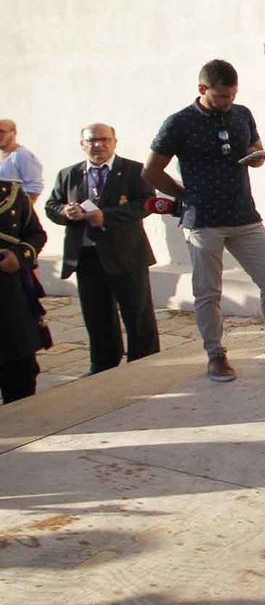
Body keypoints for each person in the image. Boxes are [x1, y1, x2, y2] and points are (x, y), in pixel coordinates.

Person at [144, 60, 265, 381]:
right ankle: (216, 354)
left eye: (233, 95)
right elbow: (151, 171)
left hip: (244, 215)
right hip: (204, 221)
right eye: (222, 96)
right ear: (202, 90)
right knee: (208, 292)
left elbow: (255, 146)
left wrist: (258, 156)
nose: (229, 102)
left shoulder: (242, 114)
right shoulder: (178, 123)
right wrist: (185, 195)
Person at [43, 124, 160, 373]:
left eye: (105, 139)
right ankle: (103, 363)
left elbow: (147, 204)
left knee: (137, 314)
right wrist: (65, 211)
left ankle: (144, 363)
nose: (99, 145)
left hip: (126, 254)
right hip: (87, 256)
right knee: (96, 315)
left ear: (115, 142)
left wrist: (105, 216)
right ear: (83, 144)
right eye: (93, 140)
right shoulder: (69, 174)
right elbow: (51, 205)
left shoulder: (134, 170)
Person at [0, 181, 47, 403]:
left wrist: (18, 258)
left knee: (21, 375)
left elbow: (36, 235)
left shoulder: (12, 194)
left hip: (10, 300)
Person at [0, 119, 45, 201]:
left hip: (11, 211)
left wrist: (21, 209)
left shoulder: (22, 155)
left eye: (2, 131)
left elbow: (34, 188)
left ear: (14, 133)